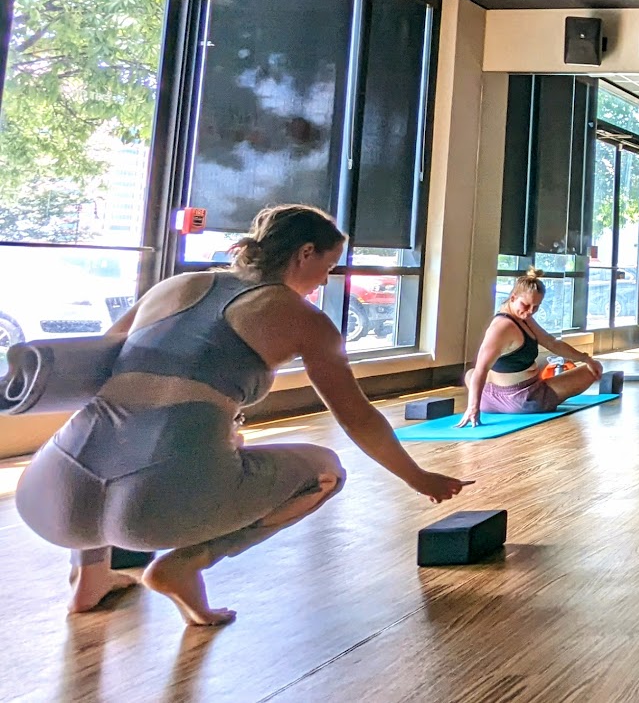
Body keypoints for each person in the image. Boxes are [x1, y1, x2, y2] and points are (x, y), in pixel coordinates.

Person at [15, 205, 470, 626]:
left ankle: (88, 580)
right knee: (326, 471)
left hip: (49, 492)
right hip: (152, 507)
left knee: (110, 437)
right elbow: (357, 418)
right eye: (328, 266)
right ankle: (186, 563)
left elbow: (99, 365)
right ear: (304, 253)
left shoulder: (176, 286)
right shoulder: (304, 319)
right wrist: (418, 477)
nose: (326, 279)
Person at [459, 269, 604, 427]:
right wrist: (472, 408)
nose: (530, 311)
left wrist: (585, 358)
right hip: (525, 400)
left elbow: (551, 343)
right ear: (513, 297)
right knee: (592, 370)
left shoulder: (520, 316)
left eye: (536, 307)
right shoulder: (503, 327)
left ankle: (492, 402)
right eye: (526, 305)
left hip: (488, 400)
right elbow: (482, 368)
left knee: (470, 373)